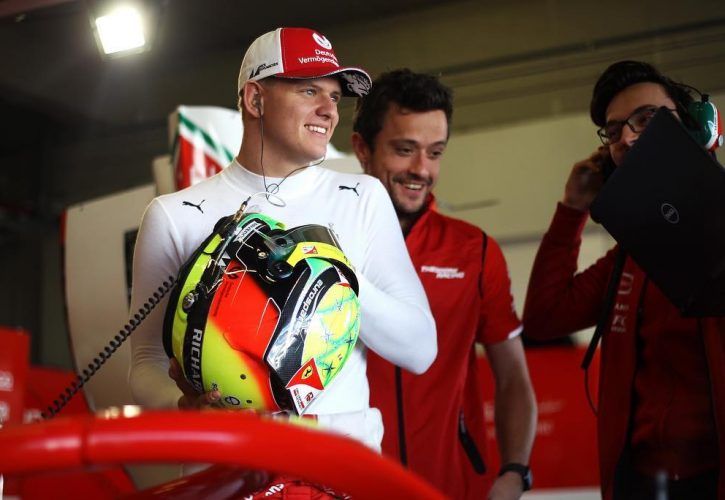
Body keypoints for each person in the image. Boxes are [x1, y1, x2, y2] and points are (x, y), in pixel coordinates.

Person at [128, 27, 437, 456]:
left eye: (335, 97)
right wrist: (183, 406)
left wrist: (329, 274)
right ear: (255, 99)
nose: (328, 111)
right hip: (230, 465)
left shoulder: (362, 196)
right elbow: (146, 362)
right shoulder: (174, 214)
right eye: (310, 91)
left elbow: (420, 349)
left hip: (340, 466)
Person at [523, 60, 725, 500]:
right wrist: (572, 208)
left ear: (696, 128)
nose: (627, 138)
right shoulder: (630, 260)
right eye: (614, 131)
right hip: (640, 486)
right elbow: (544, 317)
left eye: (647, 120)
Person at [352, 68, 537, 500]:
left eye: (435, 153)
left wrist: (515, 473)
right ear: (362, 148)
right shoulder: (327, 246)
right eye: (404, 150)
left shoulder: (474, 250)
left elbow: (513, 376)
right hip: (353, 487)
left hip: (453, 488)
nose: (422, 169)